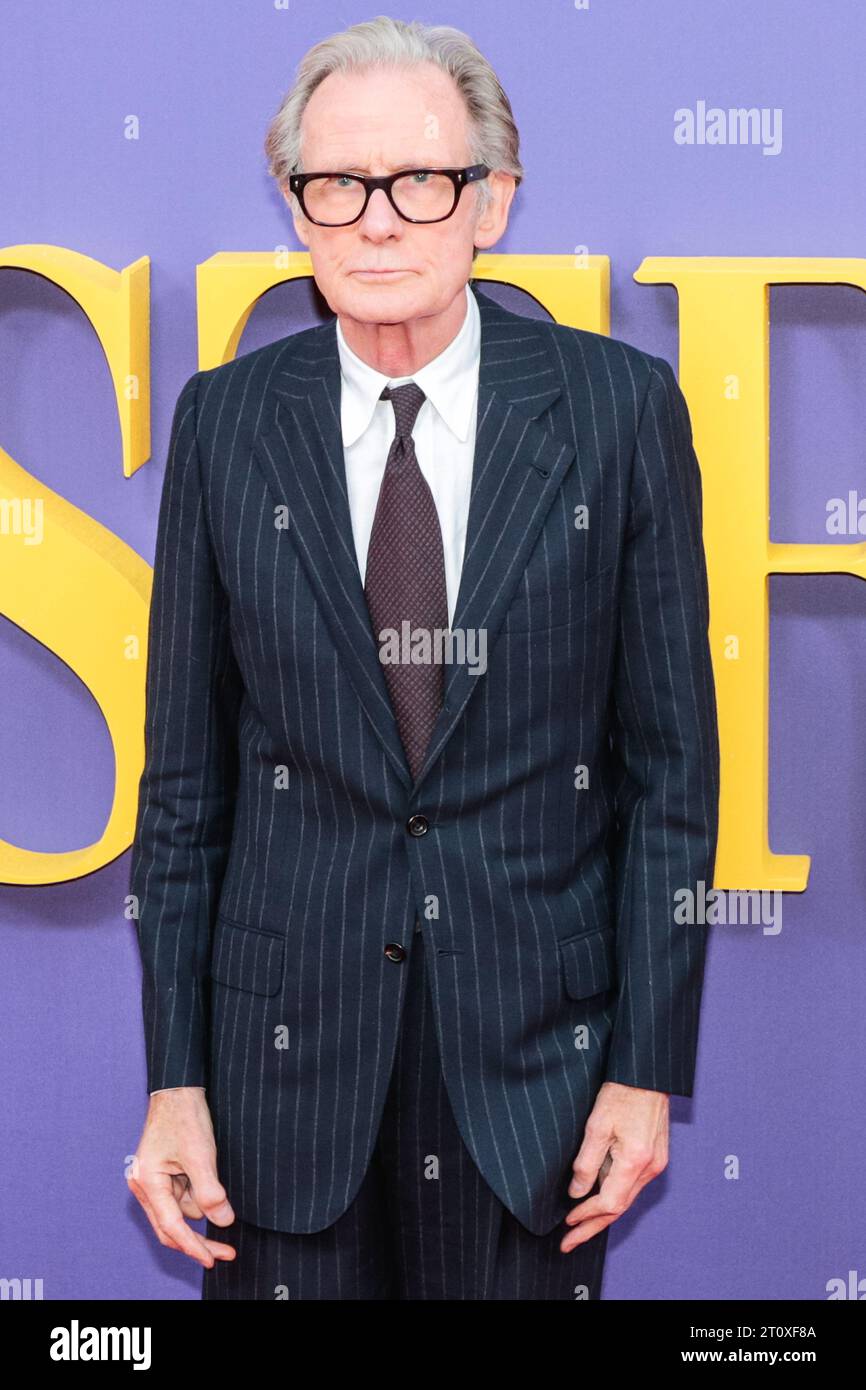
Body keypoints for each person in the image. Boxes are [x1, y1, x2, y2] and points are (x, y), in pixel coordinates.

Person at [128, 15, 719, 1301]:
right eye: (336, 186)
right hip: (277, 1084)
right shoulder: (225, 424)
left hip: (533, 1078)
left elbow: (669, 773)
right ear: (296, 207)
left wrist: (643, 1064)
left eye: (421, 182)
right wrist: (173, 1081)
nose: (378, 221)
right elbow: (183, 790)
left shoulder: (617, 412)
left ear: (490, 201)